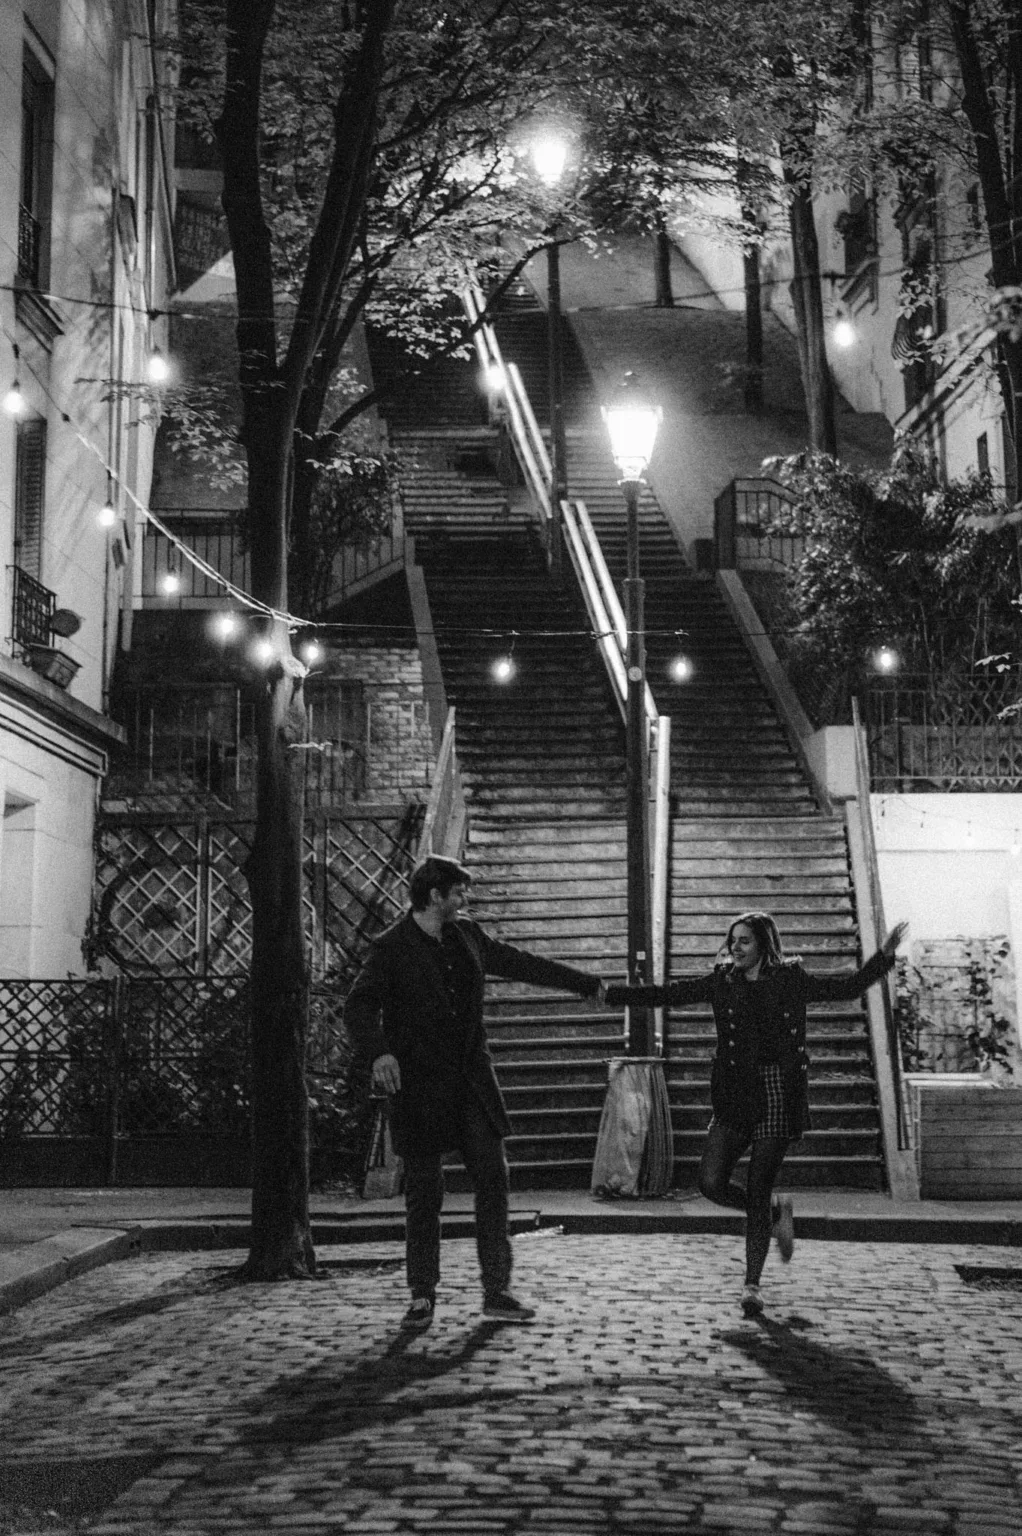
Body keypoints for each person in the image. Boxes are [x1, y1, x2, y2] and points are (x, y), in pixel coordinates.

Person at [344, 854, 606, 1331]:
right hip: (419, 1087)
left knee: (493, 1180)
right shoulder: (391, 948)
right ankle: (422, 1294)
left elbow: (520, 963)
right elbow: (359, 1006)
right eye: (460, 892)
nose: (467, 899)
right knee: (425, 1193)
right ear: (435, 896)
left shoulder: (468, 936)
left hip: (470, 1082)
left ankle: (497, 1290)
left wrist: (583, 983)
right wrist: (380, 1053)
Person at [607, 911, 907, 1317]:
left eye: (744, 941)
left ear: (764, 944)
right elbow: (667, 994)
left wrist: (883, 956)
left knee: (759, 1182)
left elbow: (845, 989)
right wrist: (612, 995)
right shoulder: (721, 981)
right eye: (732, 940)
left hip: (777, 1089)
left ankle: (752, 1284)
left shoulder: (790, 980)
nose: (735, 948)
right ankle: (772, 1215)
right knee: (711, 1182)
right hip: (735, 1090)